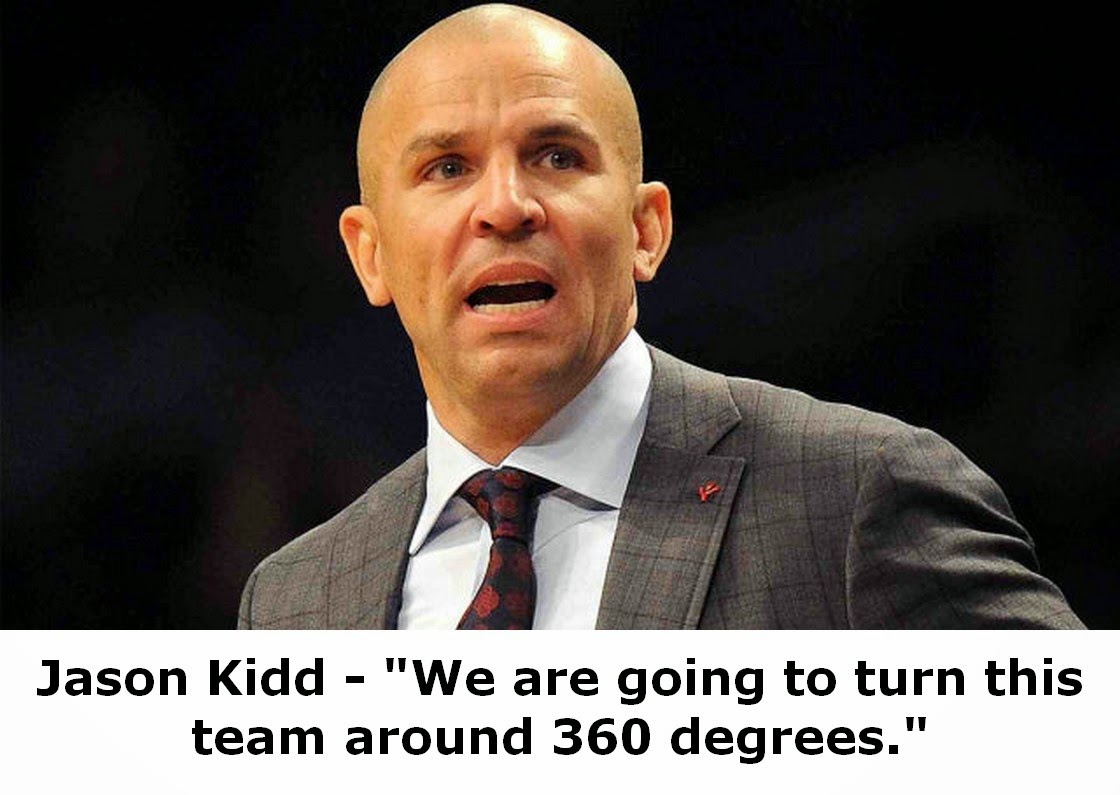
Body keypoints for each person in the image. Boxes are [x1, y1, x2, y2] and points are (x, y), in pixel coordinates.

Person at [238, 4, 1082, 630]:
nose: (505, 205)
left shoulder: (857, 494)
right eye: (448, 167)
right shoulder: (293, 599)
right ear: (370, 254)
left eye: (556, 155)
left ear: (646, 229)